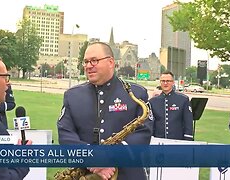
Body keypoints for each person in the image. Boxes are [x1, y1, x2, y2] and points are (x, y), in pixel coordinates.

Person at [57, 42, 152, 180]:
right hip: (86, 174)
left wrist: (111, 156)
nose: (89, 66)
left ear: (111, 62)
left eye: (94, 60)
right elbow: (65, 134)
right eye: (86, 62)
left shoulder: (136, 93)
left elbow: (144, 133)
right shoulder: (72, 96)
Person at [149, 71, 193, 140]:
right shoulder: (152, 101)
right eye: (163, 81)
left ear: (173, 82)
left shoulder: (183, 100)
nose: (165, 83)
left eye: (168, 81)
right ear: (160, 82)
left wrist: (188, 140)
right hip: (158, 142)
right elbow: (150, 123)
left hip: (177, 141)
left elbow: (188, 123)